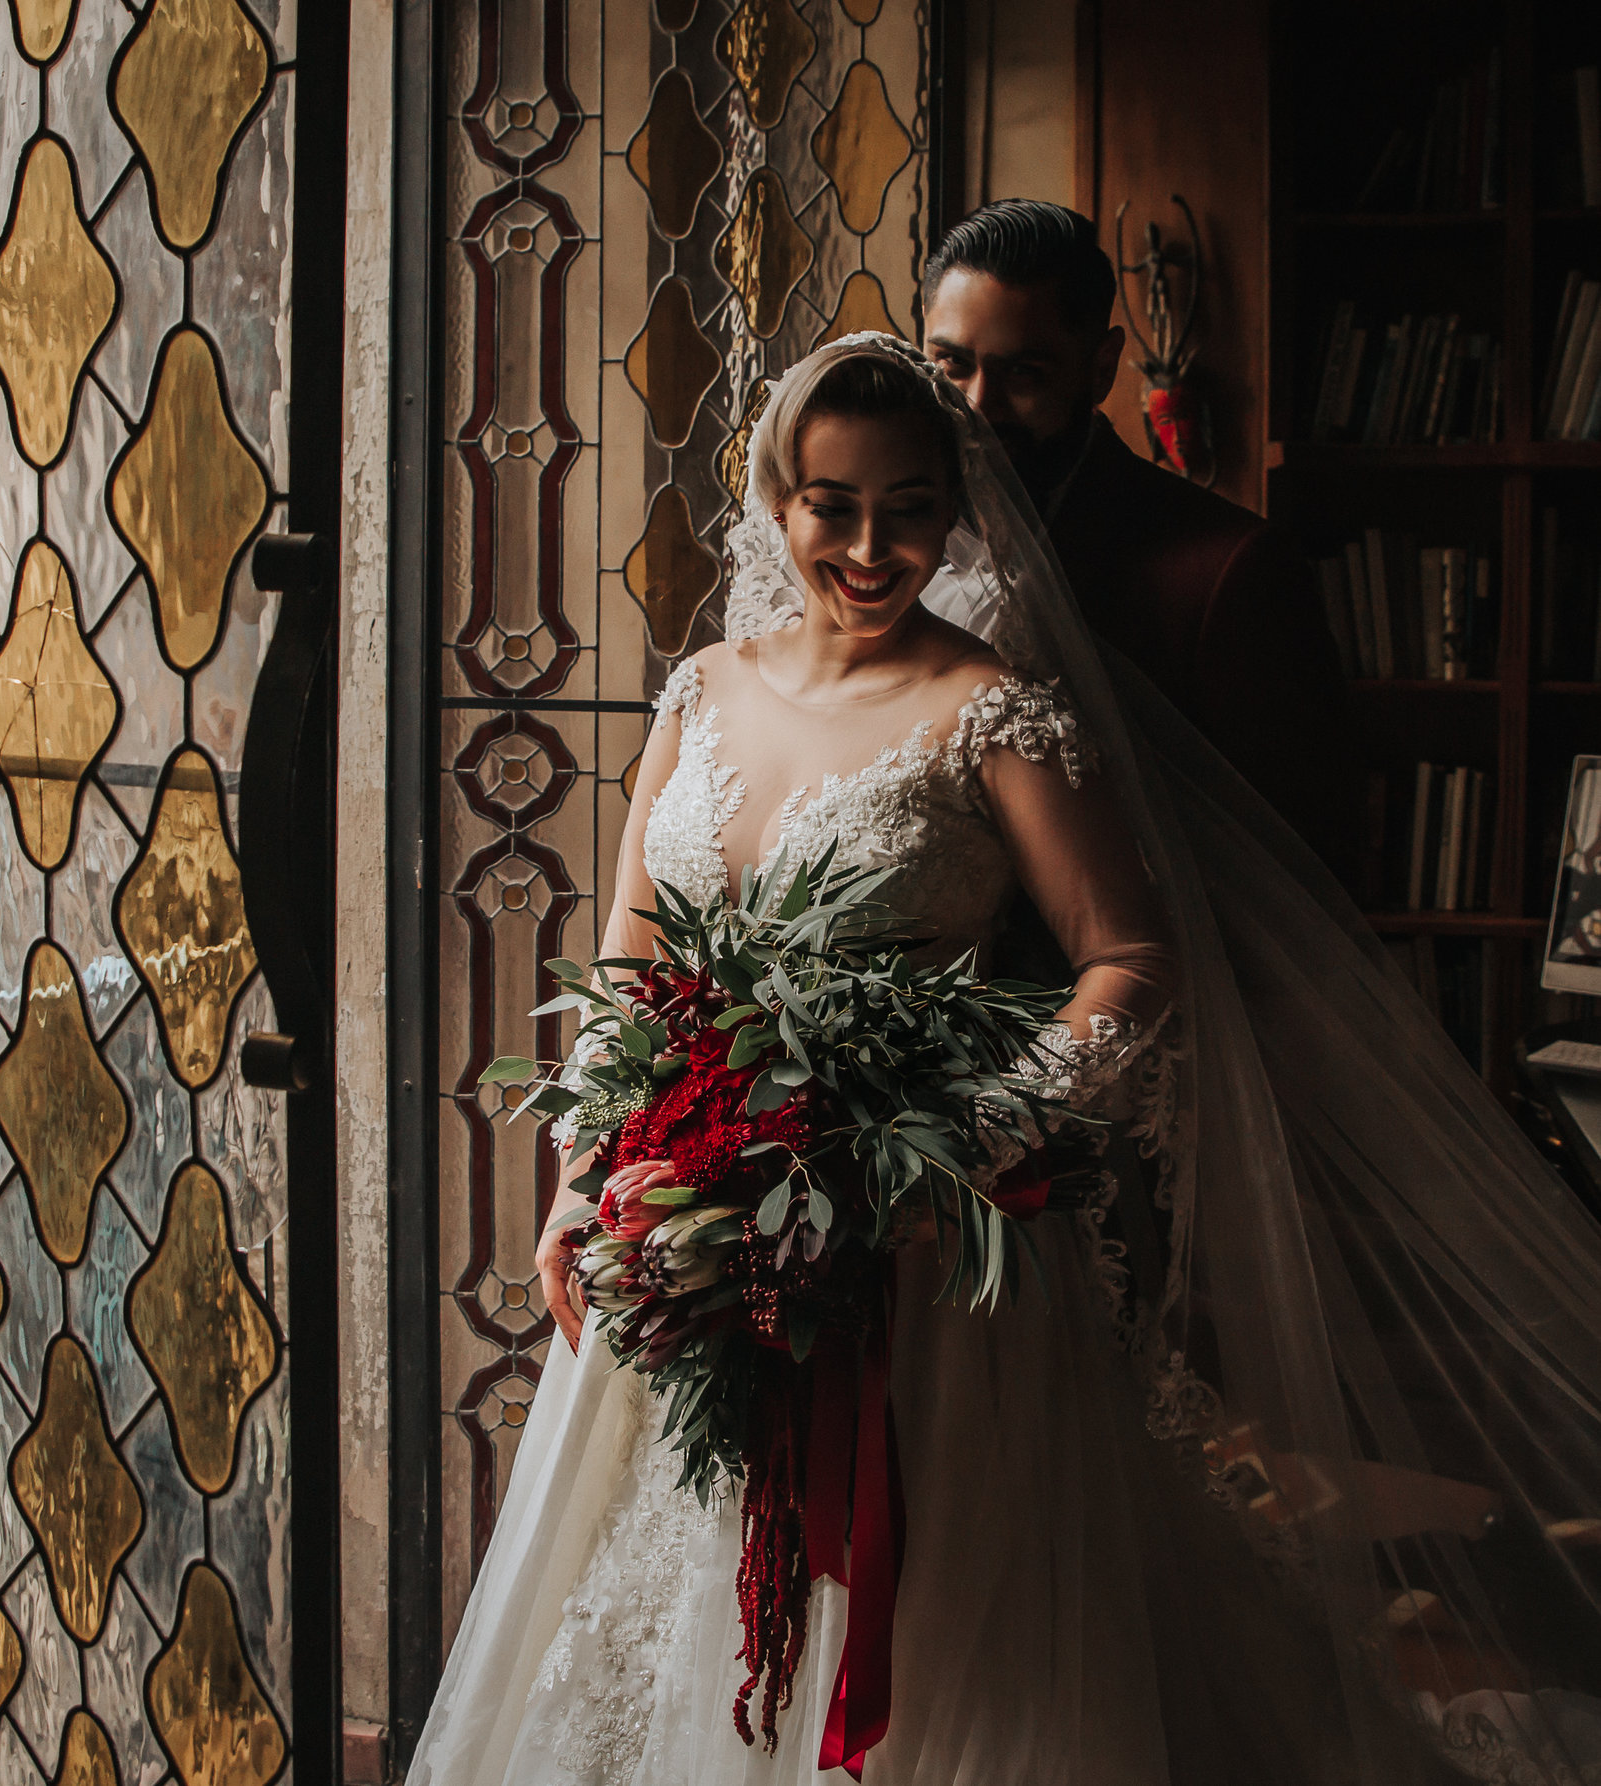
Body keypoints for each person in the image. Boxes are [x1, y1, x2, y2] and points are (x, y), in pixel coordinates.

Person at [406, 335, 1601, 1785]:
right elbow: (634, 962)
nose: (868, 545)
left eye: (908, 505)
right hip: (701, 1243)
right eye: (832, 504)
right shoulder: (699, 691)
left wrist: (953, 1140)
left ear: (954, 508)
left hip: (920, 1274)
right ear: (776, 502)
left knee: (943, 1652)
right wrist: (585, 1176)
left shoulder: (993, 710)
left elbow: (1134, 962)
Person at [921, 199, 1361, 881]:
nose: (977, 410)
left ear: (1101, 368)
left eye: (1023, 375)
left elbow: (1303, 868)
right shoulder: (886, 548)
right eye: (951, 366)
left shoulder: (1231, 571)